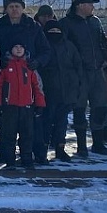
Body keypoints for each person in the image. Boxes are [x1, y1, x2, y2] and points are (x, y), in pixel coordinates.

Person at [0, 0, 51, 163]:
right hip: (5, 77)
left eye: (17, 6)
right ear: (6, 9)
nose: (14, 9)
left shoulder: (33, 26)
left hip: (27, 78)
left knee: (31, 124)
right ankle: (5, 154)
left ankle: (34, 154)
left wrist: (37, 62)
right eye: (11, 6)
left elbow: (46, 51)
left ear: (23, 8)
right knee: (4, 122)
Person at [59, 0, 107, 157]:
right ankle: (81, 146)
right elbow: (63, 47)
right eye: (90, 4)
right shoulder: (66, 23)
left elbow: (103, 42)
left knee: (100, 107)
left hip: (97, 71)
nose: (93, 7)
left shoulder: (95, 22)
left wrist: (105, 59)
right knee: (79, 109)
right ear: (80, 5)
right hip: (78, 74)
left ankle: (98, 143)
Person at [0, 43, 46, 169]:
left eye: (21, 47)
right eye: (15, 47)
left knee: (27, 134)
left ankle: (26, 158)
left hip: (27, 106)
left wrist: (40, 104)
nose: (19, 49)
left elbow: (38, 87)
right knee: (8, 134)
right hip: (9, 106)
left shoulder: (30, 66)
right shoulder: (4, 66)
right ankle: (10, 160)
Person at [40, 20, 82, 162]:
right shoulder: (42, 46)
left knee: (61, 122)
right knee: (45, 122)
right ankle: (42, 150)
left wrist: (77, 87)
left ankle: (60, 148)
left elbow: (78, 67)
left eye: (57, 32)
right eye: (51, 32)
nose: (55, 35)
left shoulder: (69, 46)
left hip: (67, 91)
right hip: (47, 91)